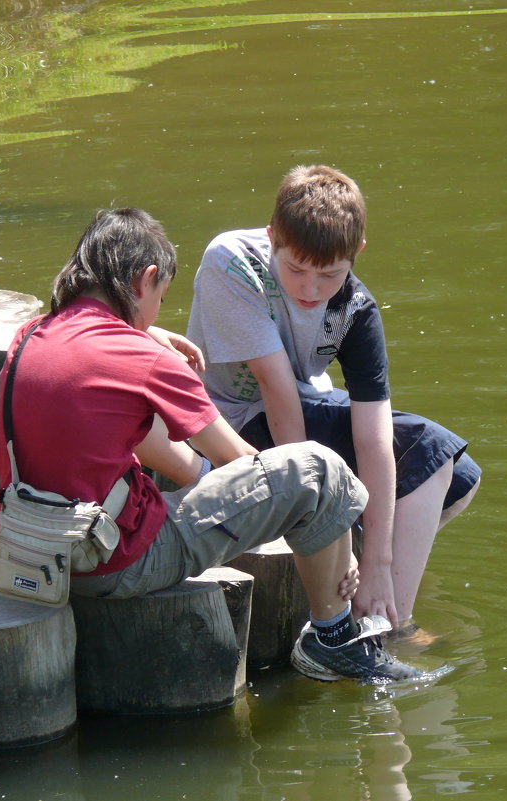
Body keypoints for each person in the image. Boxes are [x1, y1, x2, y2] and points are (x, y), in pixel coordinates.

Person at [0, 207, 418, 683]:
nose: (157, 312)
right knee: (320, 470)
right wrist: (337, 528)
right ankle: (332, 640)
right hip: (117, 563)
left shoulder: (28, 336)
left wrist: (146, 329)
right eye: (161, 296)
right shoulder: (144, 358)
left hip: (29, 548)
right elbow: (244, 463)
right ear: (146, 279)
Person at [186, 165, 482, 639]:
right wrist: (314, 508)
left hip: (301, 409)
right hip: (237, 417)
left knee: (455, 475)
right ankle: (390, 627)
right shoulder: (233, 261)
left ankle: (379, 598)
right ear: (272, 239)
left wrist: (380, 561)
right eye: (296, 270)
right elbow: (276, 389)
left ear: (356, 254)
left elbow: (373, 434)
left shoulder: (355, 308)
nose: (310, 290)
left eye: (329, 275)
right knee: (432, 449)